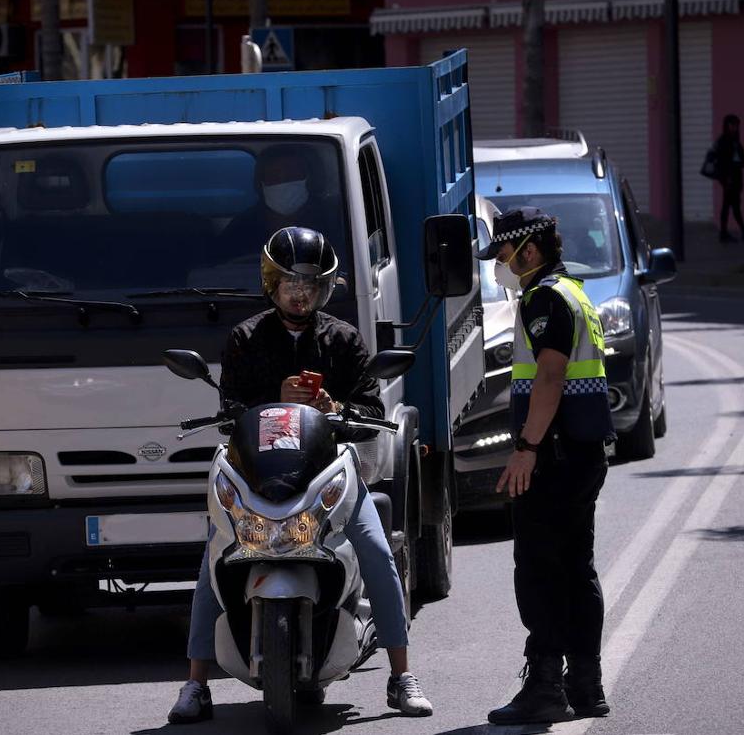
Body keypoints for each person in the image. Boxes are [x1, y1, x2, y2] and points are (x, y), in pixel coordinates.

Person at [167, 227, 433, 724]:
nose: (301, 292)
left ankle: (402, 677)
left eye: (312, 283)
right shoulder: (246, 338)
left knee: (377, 551)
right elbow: (230, 408)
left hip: (328, 475)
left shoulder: (344, 338)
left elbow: (371, 404)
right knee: (212, 558)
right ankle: (196, 685)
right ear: (272, 283)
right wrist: (277, 398)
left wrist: (335, 406)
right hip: (259, 477)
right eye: (291, 281)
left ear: (325, 288)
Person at [474, 207, 615, 726]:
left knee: (539, 570)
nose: (500, 267)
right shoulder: (575, 292)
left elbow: (551, 377)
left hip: (552, 457)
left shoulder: (544, 298)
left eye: (505, 255)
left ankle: (544, 690)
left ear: (528, 251)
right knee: (577, 568)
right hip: (580, 453)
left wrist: (526, 448)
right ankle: (586, 687)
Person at [218, 145, 340, 261]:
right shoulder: (243, 226)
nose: (282, 181)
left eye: (291, 174)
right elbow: (218, 269)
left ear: (309, 177)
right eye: (274, 175)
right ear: (261, 183)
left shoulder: (334, 220)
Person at [713, 114, 744, 242]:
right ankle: (733, 232)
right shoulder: (725, 141)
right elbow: (724, 162)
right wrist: (727, 177)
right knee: (730, 205)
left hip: (735, 177)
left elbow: (742, 161)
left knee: (732, 205)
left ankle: (735, 231)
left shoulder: (734, 141)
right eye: (732, 125)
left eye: (736, 125)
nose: (735, 127)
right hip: (729, 178)